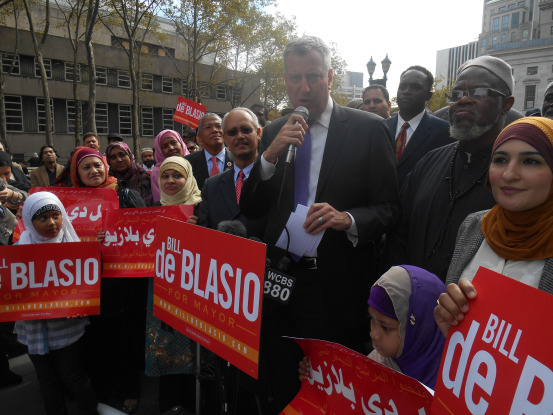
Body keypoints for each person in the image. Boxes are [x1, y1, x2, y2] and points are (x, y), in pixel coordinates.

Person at [239, 36, 399, 412]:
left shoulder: (368, 129)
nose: (304, 87)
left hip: (335, 282)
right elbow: (250, 205)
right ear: (285, 80)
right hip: (279, 280)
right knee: (282, 374)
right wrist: (270, 156)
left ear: (330, 76)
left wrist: (348, 219)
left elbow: (391, 208)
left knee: (329, 387)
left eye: (313, 76)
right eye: (295, 78)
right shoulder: (276, 128)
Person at [385, 55, 516, 282]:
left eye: (478, 93)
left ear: (506, 103)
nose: (463, 101)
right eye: (456, 95)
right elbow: (398, 236)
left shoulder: (517, 176)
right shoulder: (429, 163)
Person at [435, 117, 553, 337]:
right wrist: (449, 323)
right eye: (500, 160)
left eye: (530, 161)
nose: (509, 175)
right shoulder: (474, 226)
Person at [69, 147, 146, 414]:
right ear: (76, 173)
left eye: (97, 165)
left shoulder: (126, 194)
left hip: (123, 286)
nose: (93, 171)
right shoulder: (67, 202)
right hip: (88, 287)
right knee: (95, 342)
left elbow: (145, 230)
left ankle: (129, 390)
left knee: (125, 340)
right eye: (86, 167)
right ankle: (101, 391)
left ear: (106, 168)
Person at [14, 191, 98, 415]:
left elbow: (85, 288)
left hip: (67, 329)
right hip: (32, 330)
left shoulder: (74, 247)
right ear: (30, 222)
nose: (51, 223)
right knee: (46, 379)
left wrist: (80, 306)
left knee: (73, 375)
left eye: (55, 216)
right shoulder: (18, 252)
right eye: (43, 219)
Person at [300, 265, 446, 390]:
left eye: (386, 327)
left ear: (420, 330)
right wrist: (319, 380)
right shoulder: (375, 365)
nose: (374, 334)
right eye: (372, 319)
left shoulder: (454, 383)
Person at [145, 155, 205, 414]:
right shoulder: (153, 210)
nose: (171, 181)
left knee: (198, 352)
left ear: (188, 178)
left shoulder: (203, 209)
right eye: (166, 176)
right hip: (162, 291)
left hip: (196, 291)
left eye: (177, 175)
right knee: (168, 348)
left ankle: (196, 403)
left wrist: (201, 229)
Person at [198, 107, 265, 237]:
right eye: (232, 132)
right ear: (224, 137)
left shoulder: (275, 178)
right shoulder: (211, 186)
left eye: (246, 130)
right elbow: (204, 235)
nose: (240, 136)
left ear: (258, 132)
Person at [387, 66, 453, 188]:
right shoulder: (382, 127)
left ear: (429, 95)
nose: (407, 91)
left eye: (415, 87)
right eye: (403, 86)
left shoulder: (445, 132)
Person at [185, 113, 234, 190]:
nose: (214, 130)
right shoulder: (187, 163)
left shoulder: (238, 161)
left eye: (218, 126)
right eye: (208, 127)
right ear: (199, 137)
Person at [106, 141, 154, 206]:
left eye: (122, 155)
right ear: (109, 161)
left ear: (130, 156)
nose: (119, 160)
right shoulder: (106, 183)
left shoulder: (145, 178)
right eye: (113, 157)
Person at [151, 129, 189, 203]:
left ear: (181, 143)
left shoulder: (193, 163)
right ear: (160, 151)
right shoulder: (157, 172)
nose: (171, 148)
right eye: (165, 146)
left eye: (174, 143)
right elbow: (160, 201)